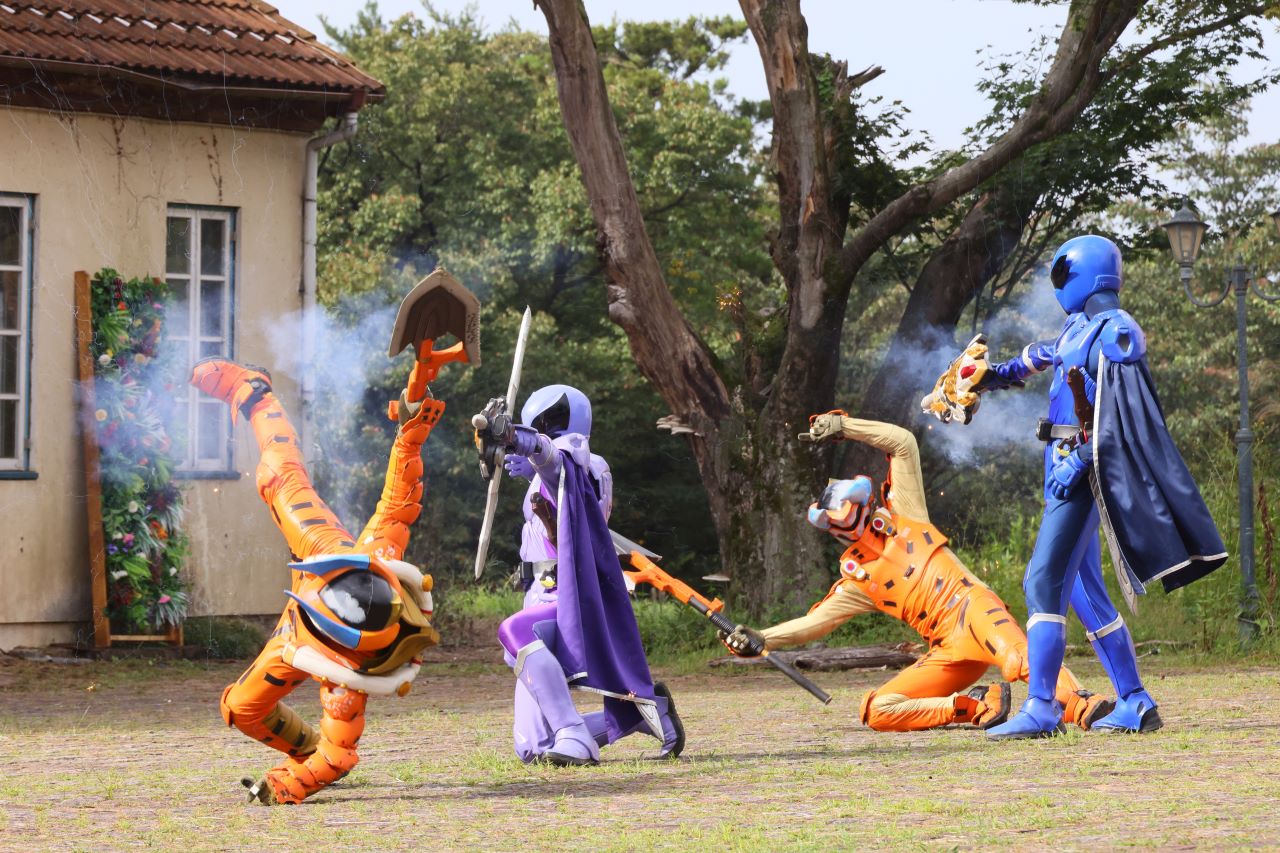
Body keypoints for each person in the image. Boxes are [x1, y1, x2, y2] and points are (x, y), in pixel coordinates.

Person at [927, 235, 1226, 738]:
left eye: (1063, 274)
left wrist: (1083, 459)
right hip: (1063, 463)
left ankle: (1042, 706)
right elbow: (1044, 356)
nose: (1058, 285)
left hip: (1081, 469)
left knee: (1041, 581)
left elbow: (1125, 416)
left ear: (1084, 274)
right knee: (1084, 593)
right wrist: (989, 377)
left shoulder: (1117, 332)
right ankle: (1135, 700)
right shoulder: (1079, 328)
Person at [720, 412, 1113, 734]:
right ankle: (974, 705)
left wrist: (844, 426)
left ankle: (1082, 704)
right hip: (946, 649)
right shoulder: (858, 579)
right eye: (838, 521)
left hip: (971, 608)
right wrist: (761, 637)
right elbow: (816, 623)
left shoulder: (904, 511)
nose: (849, 523)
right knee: (878, 708)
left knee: (1018, 657)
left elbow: (902, 443)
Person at [192, 350, 451, 804]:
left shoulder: (346, 681)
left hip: (304, 645)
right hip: (324, 554)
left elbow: (340, 755)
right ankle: (254, 391)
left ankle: (301, 750)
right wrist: (411, 429)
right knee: (278, 474)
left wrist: (287, 783)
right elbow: (400, 498)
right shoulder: (374, 553)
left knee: (240, 708)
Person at [486, 384, 683, 765]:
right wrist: (531, 468)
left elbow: (560, 466)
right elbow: (554, 487)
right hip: (540, 591)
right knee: (532, 748)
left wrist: (523, 442)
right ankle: (643, 714)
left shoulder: (583, 460)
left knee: (515, 631)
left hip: (571, 592)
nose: (545, 429)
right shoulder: (553, 469)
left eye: (545, 423)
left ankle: (574, 733)